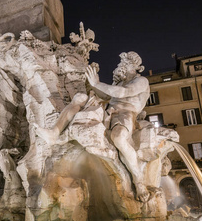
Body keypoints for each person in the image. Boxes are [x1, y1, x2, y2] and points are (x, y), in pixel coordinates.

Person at [35, 52, 150, 202]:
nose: (122, 64)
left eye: (127, 62)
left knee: (119, 138)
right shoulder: (118, 83)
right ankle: (54, 133)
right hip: (107, 112)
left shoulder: (141, 81)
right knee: (80, 98)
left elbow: (124, 93)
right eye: (122, 61)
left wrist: (98, 84)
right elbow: (104, 95)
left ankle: (138, 180)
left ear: (137, 67)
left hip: (126, 114)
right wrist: (91, 82)